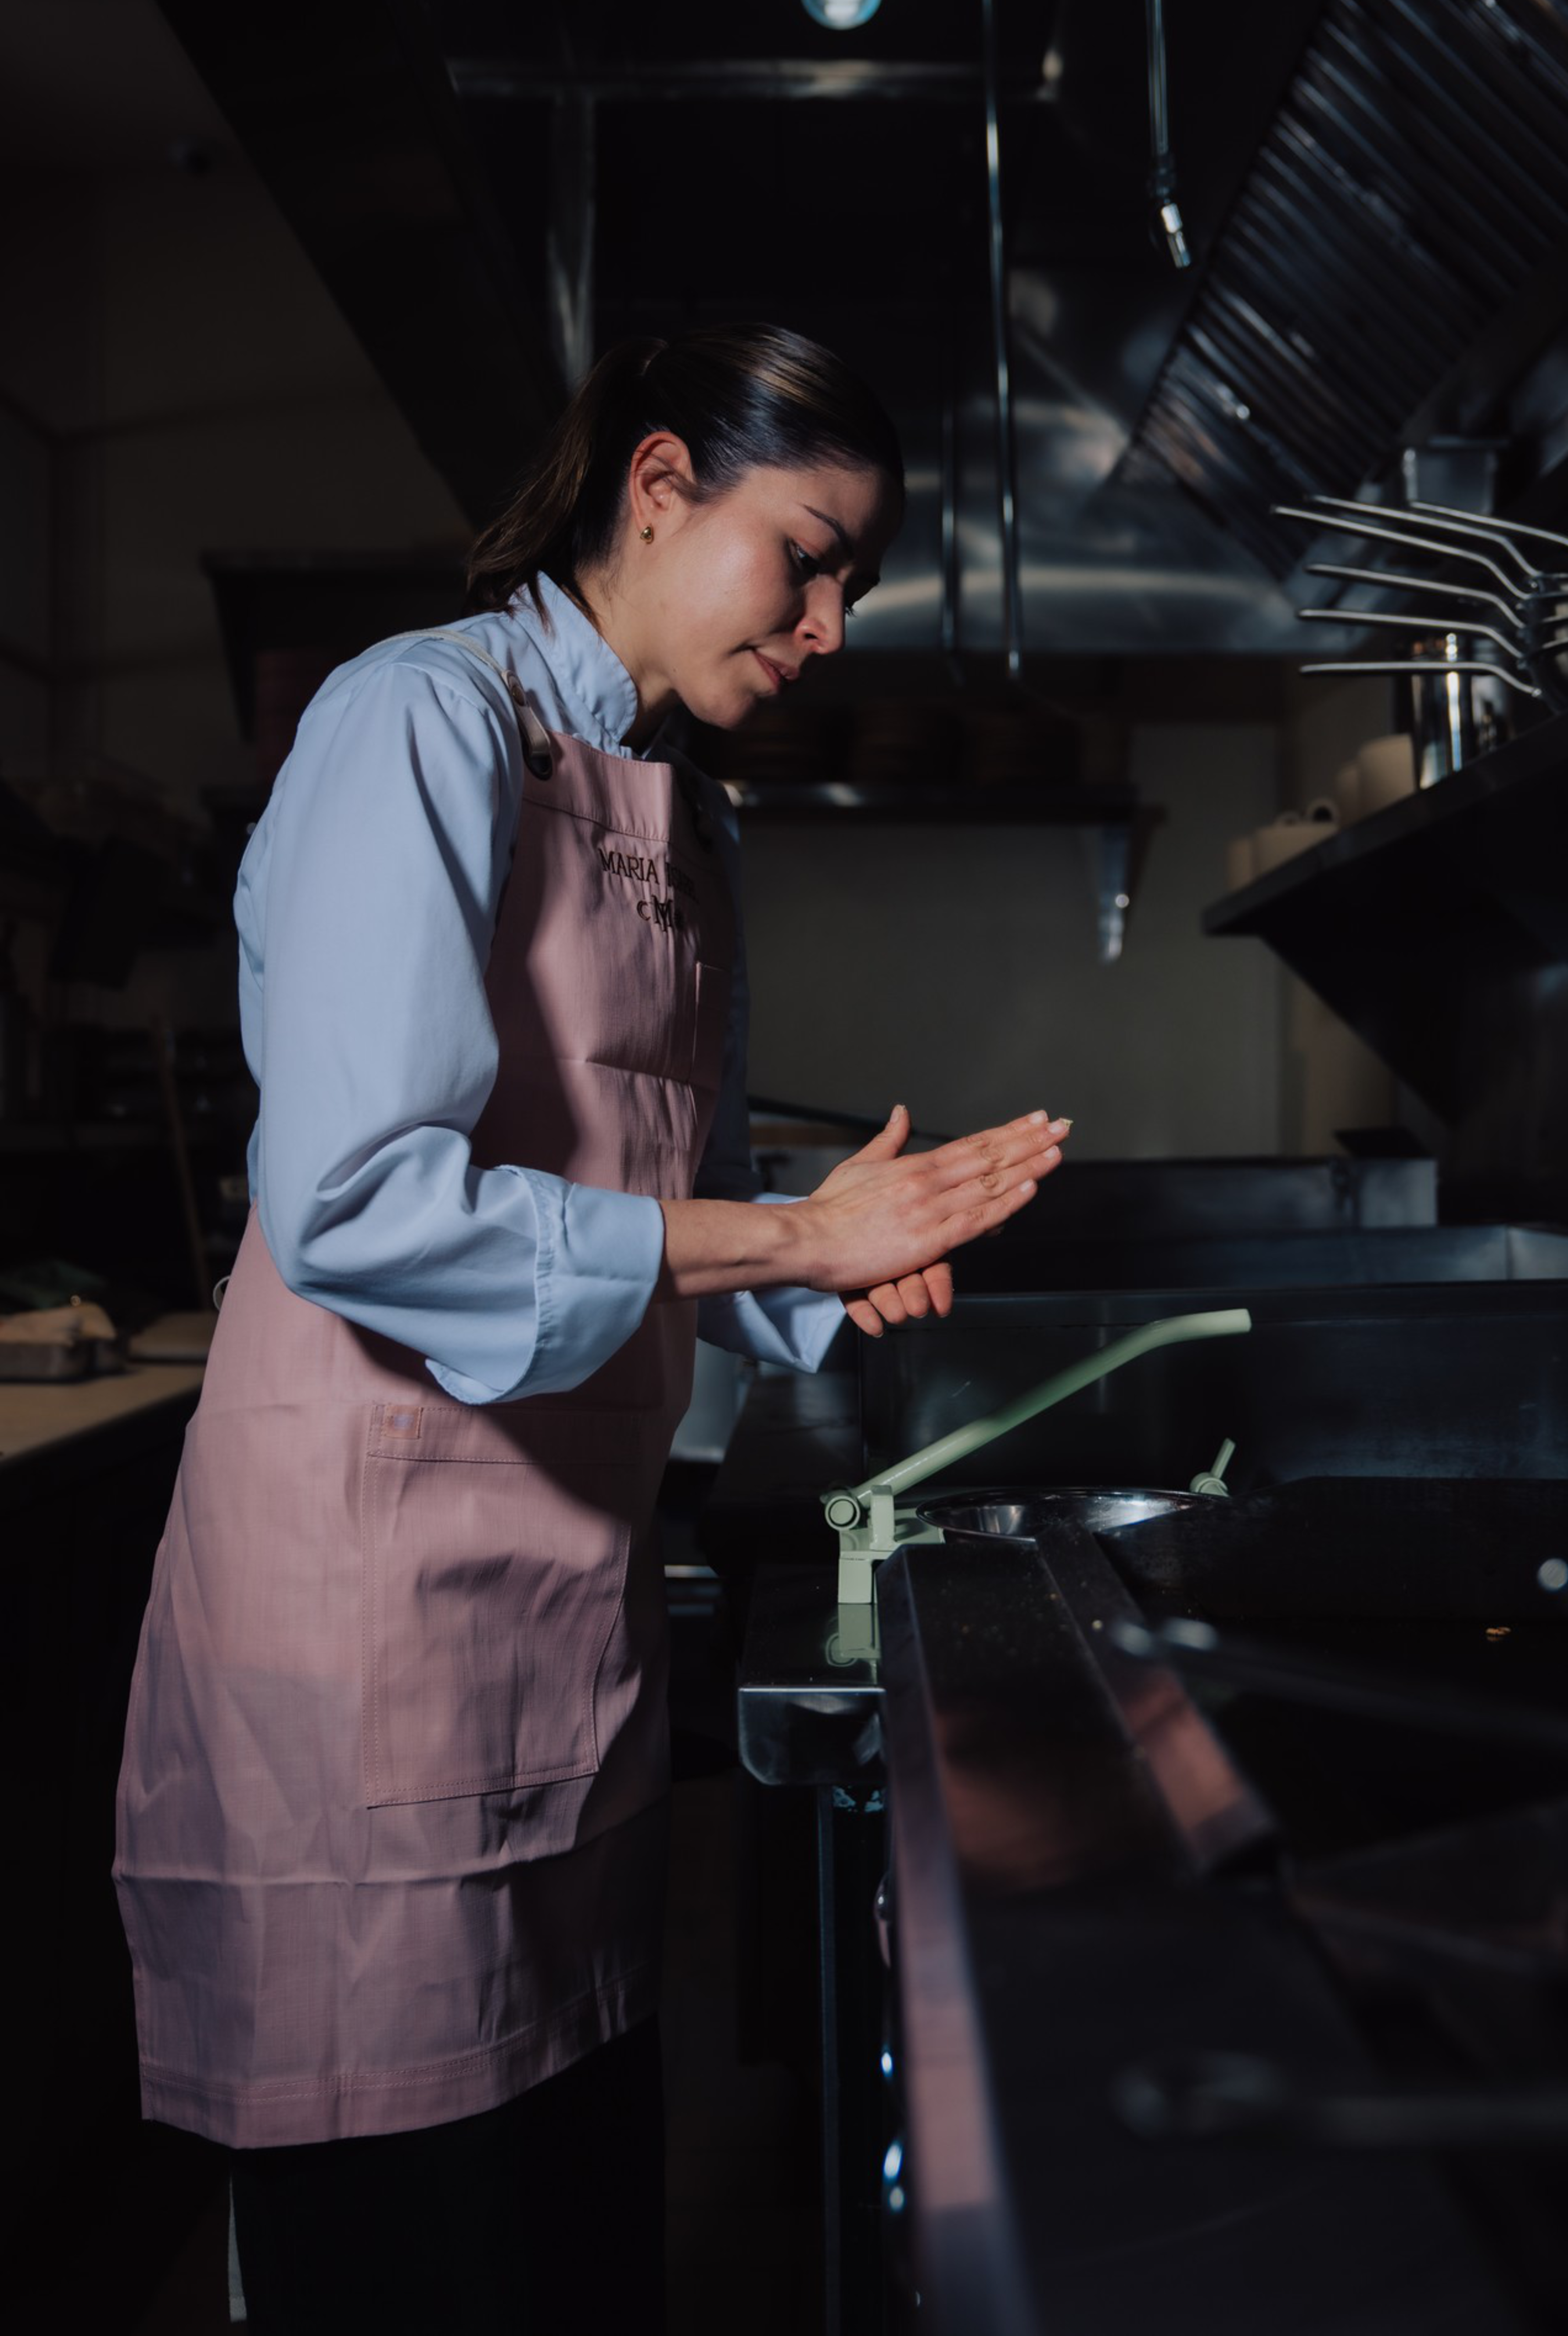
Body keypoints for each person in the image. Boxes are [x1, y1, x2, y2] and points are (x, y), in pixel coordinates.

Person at [114, 323, 1066, 2332]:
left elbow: (691, 1225)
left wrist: (826, 1269)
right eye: (804, 554)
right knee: (411, 2254)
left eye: (855, 589)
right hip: (366, 1647)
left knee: (566, 2242)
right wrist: (783, 1236)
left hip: (565, 1632)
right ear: (656, 483)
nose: (825, 628)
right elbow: (362, 1200)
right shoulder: (420, 724)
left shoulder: (695, 834)